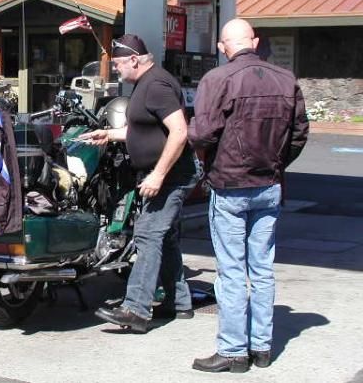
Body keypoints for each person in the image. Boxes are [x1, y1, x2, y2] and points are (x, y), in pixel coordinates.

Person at [189, 19, 309, 373]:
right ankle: (261, 347)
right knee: (262, 268)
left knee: (230, 270)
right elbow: (299, 133)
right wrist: (275, 163)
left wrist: (205, 159)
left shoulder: (218, 79)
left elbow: (204, 133)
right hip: (268, 184)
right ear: (254, 41)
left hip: (230, 185)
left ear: (224, 46)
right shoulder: (286, 79)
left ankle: (233, 350)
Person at [79, 34, 200, 333]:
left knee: (147, 236)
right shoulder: (146, 84)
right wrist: (108, 134)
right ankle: (179, 302)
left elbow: (179, 132)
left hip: (171, 176)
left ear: (134, 59)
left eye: (118, 63)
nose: (116, 69)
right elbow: (144, 129)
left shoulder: (156, 85)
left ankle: (136, 308)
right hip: (163, 174)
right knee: (165, 238)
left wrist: (158, 175)